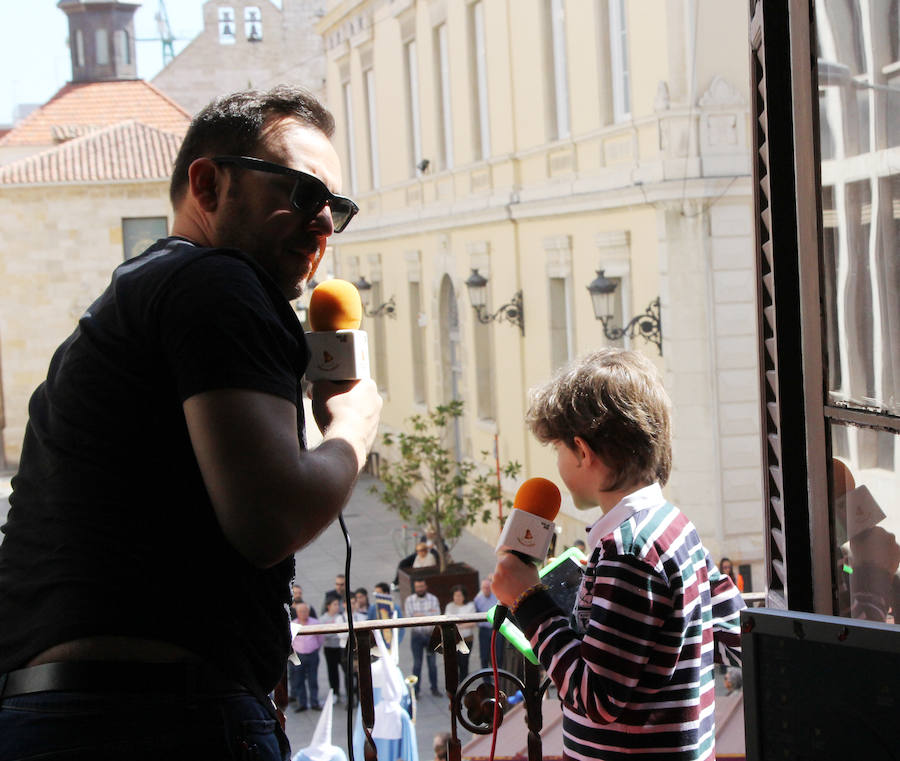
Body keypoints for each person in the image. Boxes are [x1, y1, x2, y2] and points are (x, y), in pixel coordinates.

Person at [0, 86, 381, 760]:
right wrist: (351, 422)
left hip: (58, 709)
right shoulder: (217, 283)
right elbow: (268, 517)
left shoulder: (143, 290)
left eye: (336, 208)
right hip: (161, 716)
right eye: (301, 193)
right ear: (208, 183)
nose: (322, 224)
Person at [491, 349, 745, 761]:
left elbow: (596, 698)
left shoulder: (627, 551)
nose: (557, 463)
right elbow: (735, 633)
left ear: (582, 450)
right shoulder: (674, 524)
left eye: (557, 449)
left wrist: (528, 601)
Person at [404, 579, 441, 697]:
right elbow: (409, 618)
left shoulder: (433, 599)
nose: (420, 589)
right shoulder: (409, 600)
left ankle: (434, 689)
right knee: (417, 664)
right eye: (417, 587)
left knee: (432, 664)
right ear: (415, 588)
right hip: (417, 636)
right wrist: (428, 614)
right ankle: (416, 690)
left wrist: (419, 615)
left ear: (425, 586)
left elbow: (437, 615)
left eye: (421, 586)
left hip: (431, 635)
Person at [290, 603, 323, 712]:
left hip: (312, 654)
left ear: (308, 612)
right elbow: (291, 641)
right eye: (301, 611)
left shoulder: (315, 623)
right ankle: (302, 703)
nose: (303, 613)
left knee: (313, 680)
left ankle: (314, 702)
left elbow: (320, 639)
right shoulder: (293, 625)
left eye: (305, 611)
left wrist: (316, 649)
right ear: (297, 613)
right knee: (299, 680)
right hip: (299, 655)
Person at [443, 585, 475, 681]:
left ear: (464, 596)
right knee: (453, 664)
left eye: (460, 595)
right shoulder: (449, 606)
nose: (457, 598)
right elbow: (447, 621)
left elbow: (472, 623)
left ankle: (463, 684)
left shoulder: (470, 606)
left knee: (464, 663)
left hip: (466, 639)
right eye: (455, 595)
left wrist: (458, 625)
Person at [320, 595, 348, 704]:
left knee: (346, 670)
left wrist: (334, 634)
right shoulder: (323, 619)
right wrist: (336, 634)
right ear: (328, 606)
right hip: (329, 648)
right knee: (332, 672)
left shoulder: (341, 617)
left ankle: (348, 692)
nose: (337, 607)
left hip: (341, 648)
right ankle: (335, 693)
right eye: (335, 604)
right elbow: (324, 634)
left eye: (338, 604)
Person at [473, 576, 504, 669]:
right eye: (484, 588)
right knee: (484, 655)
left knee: (498, 654)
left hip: (496, 629)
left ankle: (499, 675)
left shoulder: (497, 596)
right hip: (484, 630)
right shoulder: (478, 599)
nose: (486, 590)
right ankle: (486, 679)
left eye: (488, 588)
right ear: (481, 589)